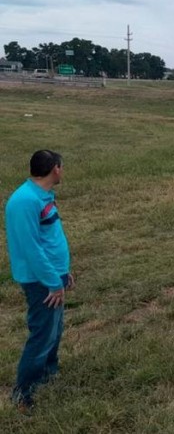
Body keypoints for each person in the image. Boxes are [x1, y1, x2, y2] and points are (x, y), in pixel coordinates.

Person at [5, 150, 75, 413]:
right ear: (55, 169)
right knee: (42, 335)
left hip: (52, 275)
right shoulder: (24, 201)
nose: (63, 171)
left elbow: (49, 237)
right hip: (40, 281)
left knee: (54, 331)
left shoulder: (42, 195)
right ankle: (23, 394)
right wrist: (52, 282)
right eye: (62, 167)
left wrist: (63, 271)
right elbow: (31, 248)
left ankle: (48, 374)